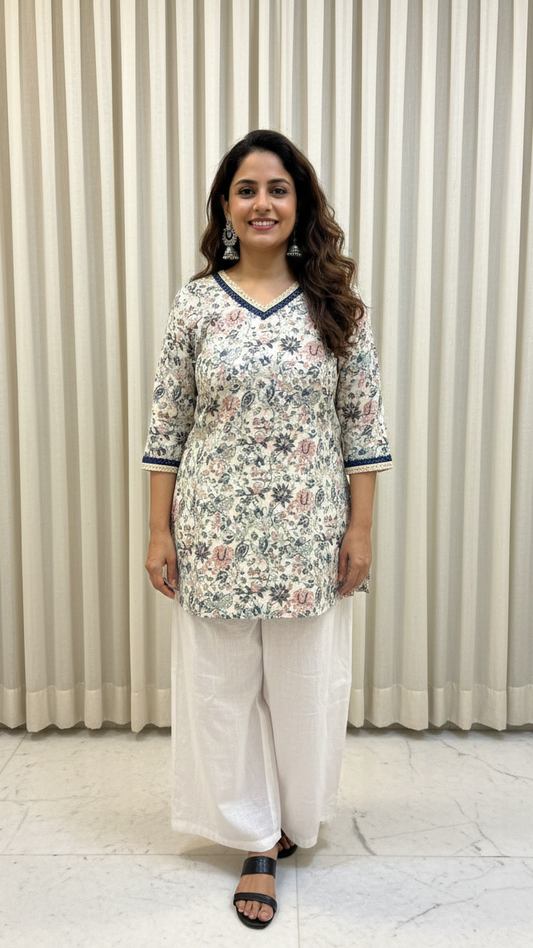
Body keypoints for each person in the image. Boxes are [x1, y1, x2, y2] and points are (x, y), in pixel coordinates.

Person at [142, 129, 392, 929]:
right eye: (246, 189)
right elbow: (167, 424)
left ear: (300, 204)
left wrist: (360, 532)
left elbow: (363, 428)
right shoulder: (194, 302)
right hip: (212, 526)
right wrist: (159, 532)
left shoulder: (334, 304)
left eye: (277, 189)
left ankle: (295, 816)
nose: (261, 203)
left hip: (309, 533)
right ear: (225, 205)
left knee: (304, 687)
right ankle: (251, 838)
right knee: (220, 689)